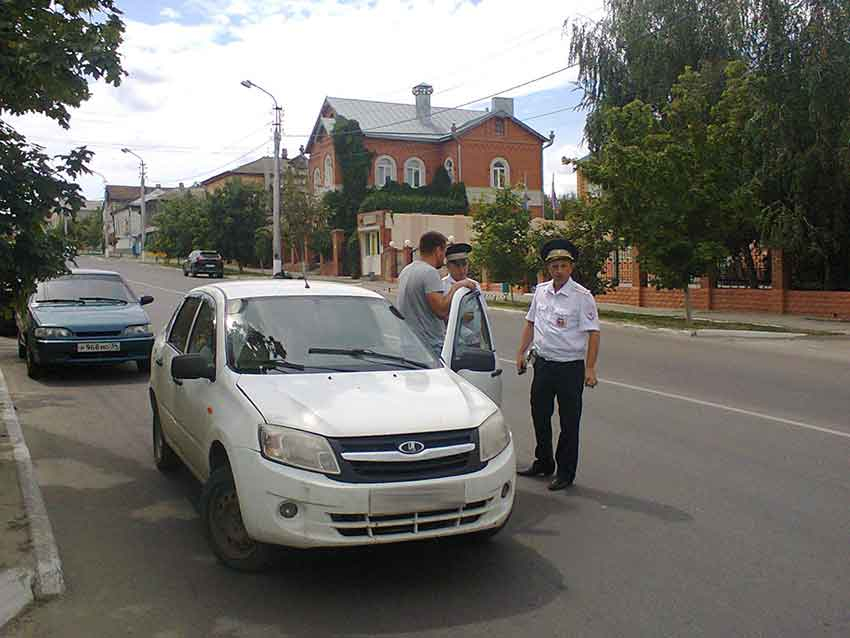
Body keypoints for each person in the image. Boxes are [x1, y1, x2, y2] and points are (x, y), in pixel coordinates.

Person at [515, 238, 601, 491]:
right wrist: (520, 352)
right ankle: (543, 461)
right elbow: (531, 323)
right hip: (543, 365)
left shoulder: (582, 297)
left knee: (569, 422)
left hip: (569, 368)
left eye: (564, 265)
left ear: (571, 268)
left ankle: (565, 472)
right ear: (548, 268)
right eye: (554, 266)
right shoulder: (541, 291)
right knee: (539, 416)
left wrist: (590, 367)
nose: (559, 270)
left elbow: (593, 333)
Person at [397, 231, 475, 357]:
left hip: (408, 345)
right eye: (444, 252)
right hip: (428, 347)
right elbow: (441, 310)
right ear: (438, 250)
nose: (444, 258)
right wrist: (456, 286)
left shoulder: (406, 271)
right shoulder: (429, 272)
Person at [442, 242, 486, 348]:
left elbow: (483, 315)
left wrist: (486, 343)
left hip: (474, 342)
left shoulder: (475, 285)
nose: (462, 270)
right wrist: (460, 317)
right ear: (448, 266)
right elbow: (440, 316)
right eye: (457, 265)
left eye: (464, 264)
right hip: (454, 345)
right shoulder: (442, 286)